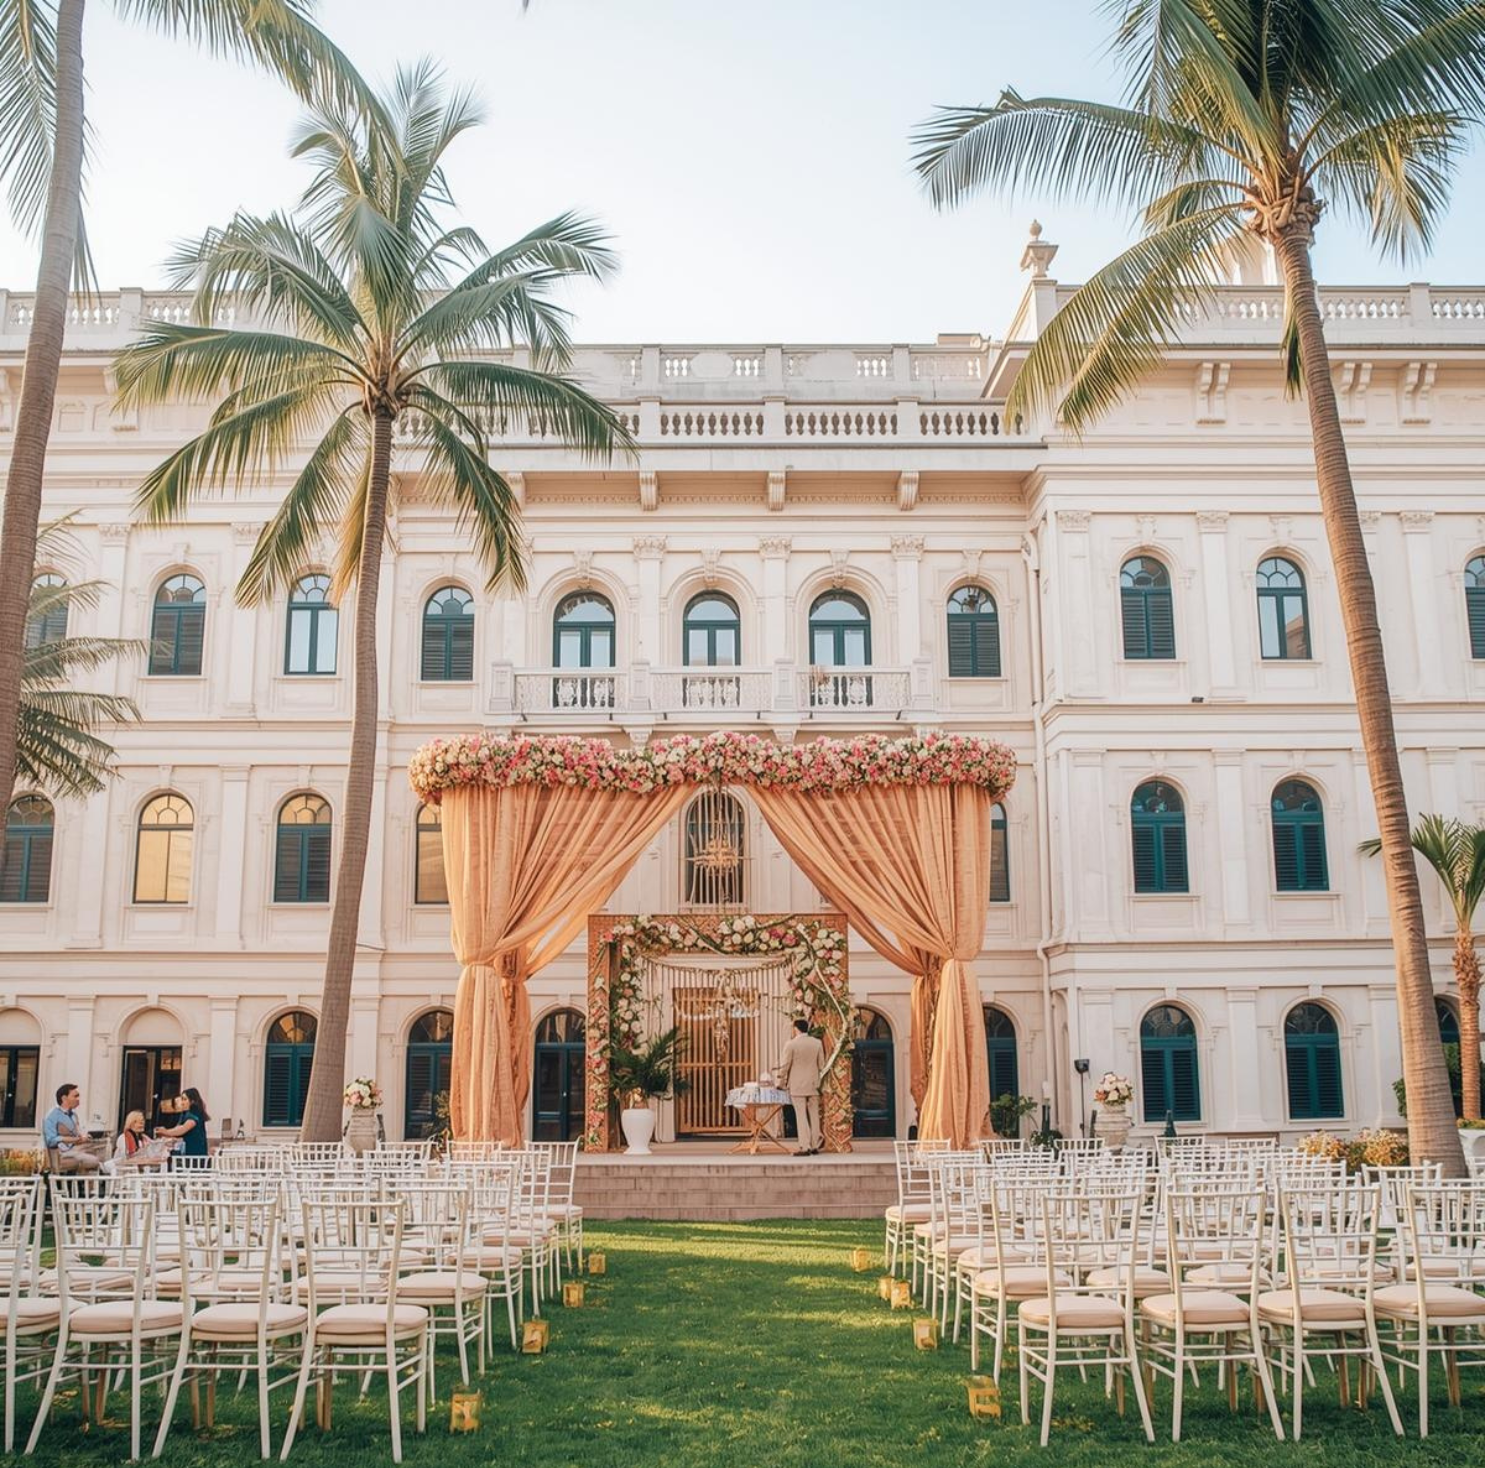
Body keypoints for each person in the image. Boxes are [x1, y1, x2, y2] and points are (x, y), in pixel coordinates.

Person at [775, 1018, 826, 1157]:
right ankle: (815, 1145)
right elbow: (822, 1065)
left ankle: (804, 1146)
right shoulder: (817, 1043)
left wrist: (780, 1081)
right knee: (815, 1115)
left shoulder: (791, 1044)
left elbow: (785, 1066)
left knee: (801, 1116)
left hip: (797, 1085)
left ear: (796, 1029)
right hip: (814, 1084)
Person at [42, 1083, 101, 1174]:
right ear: (64, 1098)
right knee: (96, 1159)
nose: (78, 1099)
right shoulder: (52, 1115)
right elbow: (50, 1140)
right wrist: (73, 1139)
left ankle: (87, 1184)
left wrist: (83, 1138)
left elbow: (77, 1134)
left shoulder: (74, 1115)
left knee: (99, 1149)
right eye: (75, 1096)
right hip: (62, 1153)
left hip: (74, 1149)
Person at [160, 1086, 211, 1167]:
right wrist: (168, 1133)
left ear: (192, 1101)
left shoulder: (194, 1113)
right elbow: (180, 1129)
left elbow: (184, 1128)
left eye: (184, 1099)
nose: (182, 1102)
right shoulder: (187, 1114)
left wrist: (166, 1132)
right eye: (181, 1099)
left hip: (194, 1158)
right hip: (194, 1157)